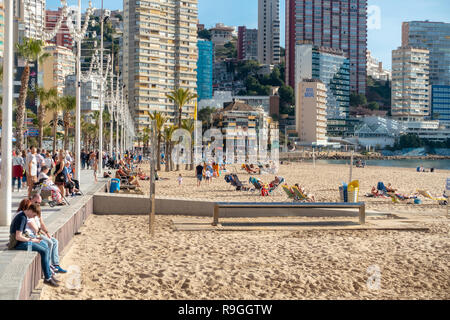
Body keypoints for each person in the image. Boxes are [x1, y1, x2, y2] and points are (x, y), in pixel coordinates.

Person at [9, 203, 59, 287]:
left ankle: (49, 274)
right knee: (44, 250)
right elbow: (18, 237)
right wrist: (32, 240)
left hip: (22, 241)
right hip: (18, 244)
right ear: (30, 210)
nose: (33, 217)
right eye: (34, 215)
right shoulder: (22, 218)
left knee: (45, 245)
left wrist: (35, 239)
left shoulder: (24, 216)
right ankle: (47, 278)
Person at [28, 195, 67, 274]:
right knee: (49, 242)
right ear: (31, 199)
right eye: (36, 202)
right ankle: (48, 266)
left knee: (55, 241)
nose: (38, 204)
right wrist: (43, 234)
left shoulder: (37, 209)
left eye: (39, 203)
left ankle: (56, 264)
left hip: (39, 232)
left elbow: (41, 223)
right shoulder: (29, 210)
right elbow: (33, 228)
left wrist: (47, 232)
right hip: (34, 234)